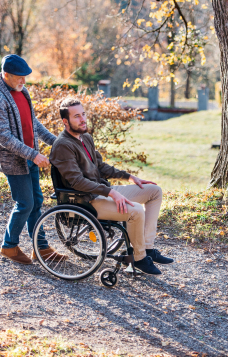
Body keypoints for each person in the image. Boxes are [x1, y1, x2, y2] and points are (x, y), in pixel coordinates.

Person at [49, 97, 173, 275]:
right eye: (77, 116)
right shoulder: (63, 145)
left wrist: (129, 177)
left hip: (101, 192)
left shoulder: (85, 137)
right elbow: (77, 182)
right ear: (65, 121)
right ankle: (139, 258)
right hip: (85, 200)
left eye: (83, 114)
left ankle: (147, 249)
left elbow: (100, 167)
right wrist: (111, 193)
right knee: (136, 210)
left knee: (154, 192)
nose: (83, 119)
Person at [0, 54, 67, 265]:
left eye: (25, 77)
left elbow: (33, 122)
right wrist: (34, 155)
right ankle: (9, 246)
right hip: (14, 162)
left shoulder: (22, 91)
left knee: (37, 202)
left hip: (31, 157)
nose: (24, 81)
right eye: (19, 77)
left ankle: (41, 248)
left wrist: (56, 142)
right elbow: (4, 138)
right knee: (25, 203)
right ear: (6, 75)